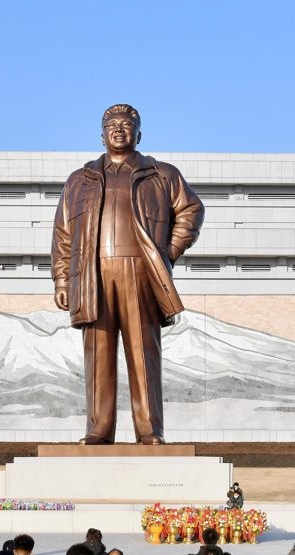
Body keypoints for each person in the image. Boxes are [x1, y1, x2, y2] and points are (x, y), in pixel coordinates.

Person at [51, 103, 204, 445]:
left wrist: (168, 253)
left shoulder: (161, 174)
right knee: (98, 354)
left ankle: (150, 429)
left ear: (139, 134)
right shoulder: (80, 180)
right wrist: (62, 280)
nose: (119, 129)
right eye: (112, 125)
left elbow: (191, 210)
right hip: (93, 274)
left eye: (126, 124)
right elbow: (63, 233)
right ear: (101, 133)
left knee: (143, 352)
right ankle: (98, 429)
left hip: (140, 271)